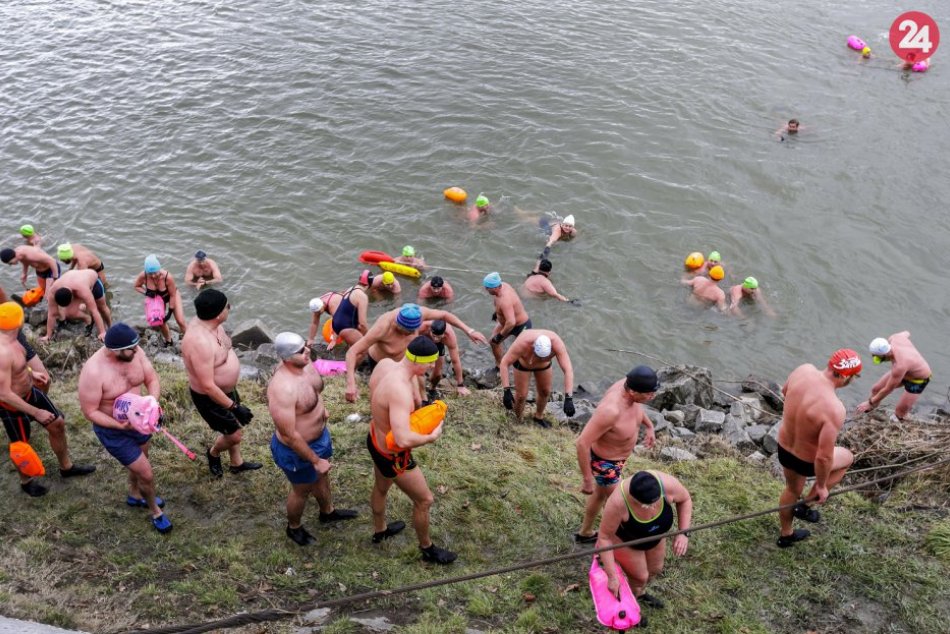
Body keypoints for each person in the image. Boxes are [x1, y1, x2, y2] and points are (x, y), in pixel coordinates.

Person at [367, 336, 456, 564]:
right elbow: (402, 439)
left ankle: (380, 531)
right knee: (424, 500)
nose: (431, 368)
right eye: (429, 363)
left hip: (375, 440)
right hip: (393, 455)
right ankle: (427, 549)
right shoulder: (399, 390)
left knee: (381, 487)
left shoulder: (388, 365)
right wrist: (430, 436)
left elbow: (374, 395)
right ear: (418, 361)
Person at [78, 323, 171, 534]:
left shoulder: (134, 352)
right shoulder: (93, 371)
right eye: (132, 349)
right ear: (114, 350)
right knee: (146, 473)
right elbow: (90, 411)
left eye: (137, 346)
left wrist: (152, 404)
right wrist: (119, 424)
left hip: (140, 420)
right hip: (113, 430)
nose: (137, 351)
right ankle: (155, 512)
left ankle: (135, 494)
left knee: (140, 462)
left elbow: (152, 378)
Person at [268, 332, 357, 546]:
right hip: (297, 449)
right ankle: (294, 527)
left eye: (305, 346)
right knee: (302, 489)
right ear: (287, 358)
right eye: (300, 351)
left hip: (320, 438)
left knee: (322, 478)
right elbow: (289, 436)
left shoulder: (305, 365)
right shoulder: (282, 388)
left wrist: (322, 409)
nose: (308, 350)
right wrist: (315, 460)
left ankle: (327, 512)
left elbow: (315, 392)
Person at [0, 302, 95, 497]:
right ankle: (26, 481)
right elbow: (3, 393)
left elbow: (17, 367)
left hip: (30, 392)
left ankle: (66, 468)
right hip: (11, 405)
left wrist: (31, 373)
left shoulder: (15, 338)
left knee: (57, 423)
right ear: (18, 321)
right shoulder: (2, 352)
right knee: (21, 446)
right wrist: (36, 412)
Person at [775, 349, 859, 547]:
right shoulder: (834, 408)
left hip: (784, 449)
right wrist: (821, 486)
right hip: (806, 462)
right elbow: (823, 457)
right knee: (846, 457)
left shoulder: (803, 369)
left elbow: (785, 391)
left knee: (792, 489)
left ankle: (786, 535)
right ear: (846, 375)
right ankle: (806, 505)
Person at [181, 289, 261, 477]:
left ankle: (236, 463)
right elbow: (208, 386)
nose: (230, 308)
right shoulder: (199, 342)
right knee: (234, 434)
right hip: (209, 397)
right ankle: (213, 453)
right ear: (218, 314)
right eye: (228, 306)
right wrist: (234, 407)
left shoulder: (214, 325)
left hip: (226, 390)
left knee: (233, 426)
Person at [574, 366, 658, 543]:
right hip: (606, 465)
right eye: (649, 393)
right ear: (633, 391)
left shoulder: (627, 386)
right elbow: (582, 443)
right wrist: (587, 479)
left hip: (619, 460)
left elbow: (637, 409)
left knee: (600, 496)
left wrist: (649, 426)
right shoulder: (611, 411)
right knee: (623, 505)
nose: (653, 396)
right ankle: (611, 543)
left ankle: (585, 533)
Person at [596, 470, 692, 623]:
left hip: (656, 536)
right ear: (634, 499)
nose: (654, 506)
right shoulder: (618, 503)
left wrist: (683, 533)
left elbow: (685, 499)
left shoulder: (667, 484)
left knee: (655, 569)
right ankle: (628, 608)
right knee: (640, 577)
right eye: (648, 505)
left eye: (656, 501)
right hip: (627, 539)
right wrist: (612, 576)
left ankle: (640, 594)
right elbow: (604, 538)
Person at [345, 303, 486, 403]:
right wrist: (351, 384)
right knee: (386, 395)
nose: (413, 333)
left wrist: (469, 331)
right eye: (409, 331)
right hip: (381, 363)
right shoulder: (382, 328)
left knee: (419, 388)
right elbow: (352, 352)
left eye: (415, 329)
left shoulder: (417, 312)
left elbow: (444, 315)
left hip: (406, 361)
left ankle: (423, 404)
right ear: (398, 325)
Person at [499, 329, 574, 427]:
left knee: (545, 392)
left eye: (544, 357)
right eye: (538, 356)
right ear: (533, 346)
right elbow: (504, 363)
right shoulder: (522, 343)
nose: (540, 359)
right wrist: (506, 390)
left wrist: (568, 398)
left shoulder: (557, 344)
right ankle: (518, 419)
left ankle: (538, 417)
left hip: (544, 367)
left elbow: (568, 370)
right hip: (522, 366)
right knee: (521, 396)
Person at [856, 332, 931, 420]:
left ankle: (903, 421)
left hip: (918, 380)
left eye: (879, 359)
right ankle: (870, 412)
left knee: (899, 412)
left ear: (886, 354)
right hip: (905, 372)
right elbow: (907, 333)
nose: (878, 360)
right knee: (876, 389)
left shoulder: (899, 365)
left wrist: (870, 402)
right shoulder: (895, 338)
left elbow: (888, 389)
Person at [43, 269, 112, 342]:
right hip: (73, 281)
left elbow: (95, 311)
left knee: (102, 308)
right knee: (70, 312)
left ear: (72, 297)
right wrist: (48, 335)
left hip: (93, 282)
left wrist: (102, 332)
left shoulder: (82, 289)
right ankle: (88, 320)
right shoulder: (53, 291)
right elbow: (52, 314)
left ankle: (110, 326)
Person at [133, 255, 188, 346]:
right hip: (157, 300)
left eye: (155, 272)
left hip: (171, 295)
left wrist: (170, 311)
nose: (153, 276)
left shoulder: (167, 277)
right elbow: (136, 286)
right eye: (150, 273)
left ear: (159, 269)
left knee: (180, 321)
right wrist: (146, 293)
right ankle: (169, 341)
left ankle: (190, 340)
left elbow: (173, 295)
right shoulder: (143, 276)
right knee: (160, 321)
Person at [483, 272, 531, 366]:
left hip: (521, 326)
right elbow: (502, 306)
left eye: (487, 288)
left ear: (495, 287)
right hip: (506, 323)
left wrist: (500, 336)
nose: (486, 289)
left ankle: (526, 368)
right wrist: (496, 314)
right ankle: (499, 365)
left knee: (523, 353)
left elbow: (511, 322)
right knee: (493, 342)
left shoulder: (505, 300)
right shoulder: (503, 285)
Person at [418, 319, 470, 399]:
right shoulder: (423, 327)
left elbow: (455, 361)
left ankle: (432, 389)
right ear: (430, 330)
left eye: (438, 337)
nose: (435, 339)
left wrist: (460, 385)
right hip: (423, 340)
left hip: (438, 346)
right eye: (434, 336)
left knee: (438, 374)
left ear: (444, 333)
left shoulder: (450, 337)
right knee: (418, 370)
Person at [325, 271, 371, 348]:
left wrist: (334, 339)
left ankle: (346, 344)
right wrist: (369, 337)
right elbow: (362, 324)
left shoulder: (350, 289)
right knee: (366, 347)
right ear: (370, 284)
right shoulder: (362, 296)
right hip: (345, 328)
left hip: (335, 324)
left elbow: (342, 311)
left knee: (354, 337)